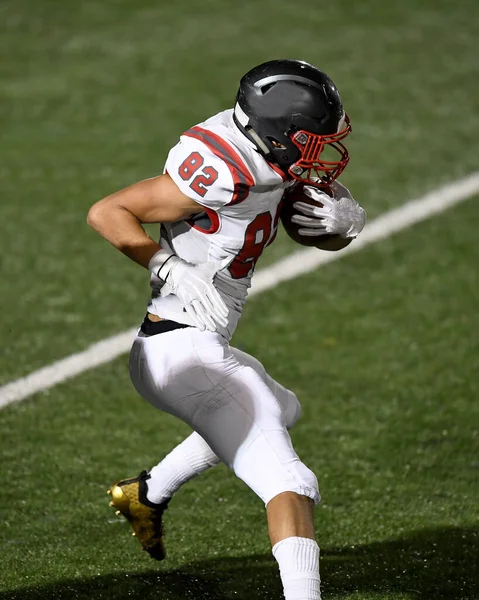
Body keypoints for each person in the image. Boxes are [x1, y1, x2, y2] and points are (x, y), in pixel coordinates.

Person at [87, 58, 366, 600]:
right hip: (178, 349)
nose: (322, 152)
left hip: (196, 343)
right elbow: (109, 211)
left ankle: (146, 492)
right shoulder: (221, 166)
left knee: (284, 408)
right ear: (278, 133)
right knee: (291, 482)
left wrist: (343, 225)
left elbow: (310, 227)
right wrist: (164, 264)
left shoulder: (270, 156)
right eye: (311, 141)